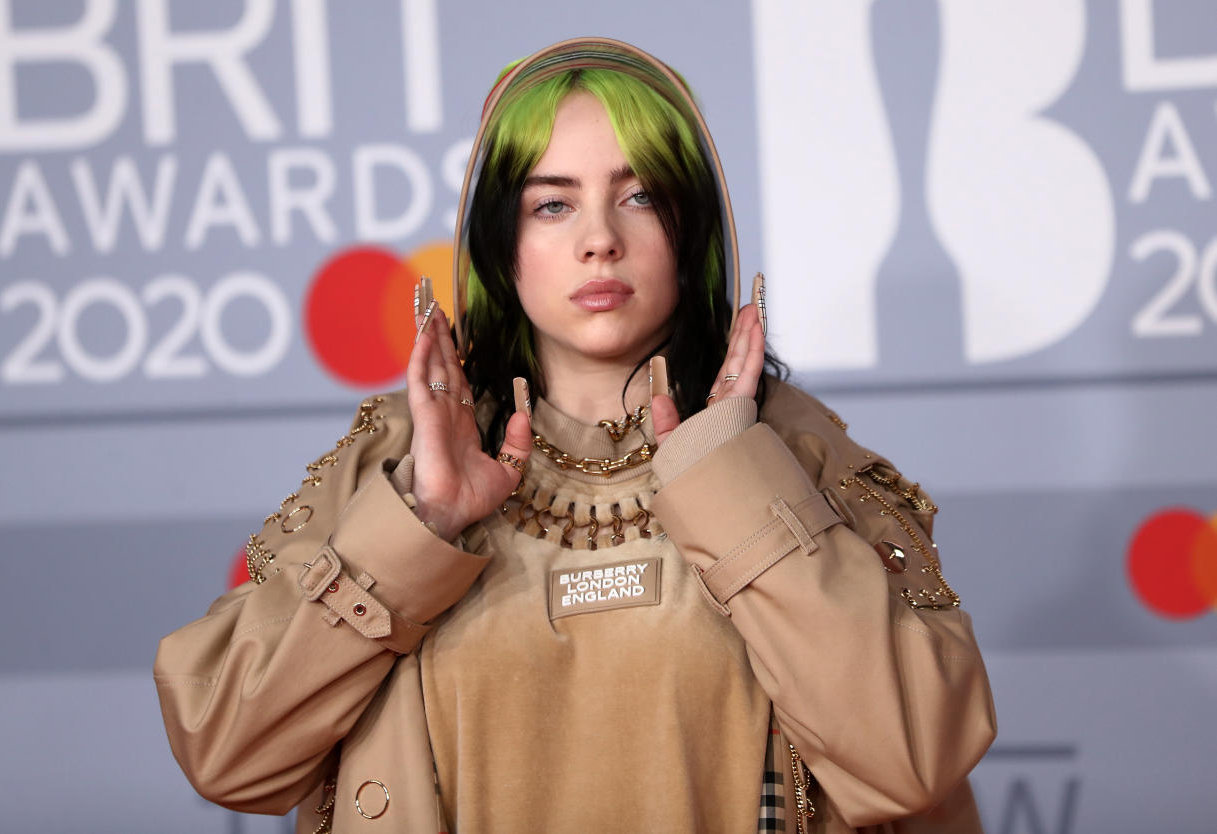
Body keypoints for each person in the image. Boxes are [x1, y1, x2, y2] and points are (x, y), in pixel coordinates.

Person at [155, 37, 995, 833]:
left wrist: (730, 475)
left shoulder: (793, 454)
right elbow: (230, 758)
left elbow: (912, 762)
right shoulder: (406, 460)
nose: (600, 240)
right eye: (552, 204)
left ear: (693, 229)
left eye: (641, 197)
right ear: (501, 244)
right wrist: (421, 524)